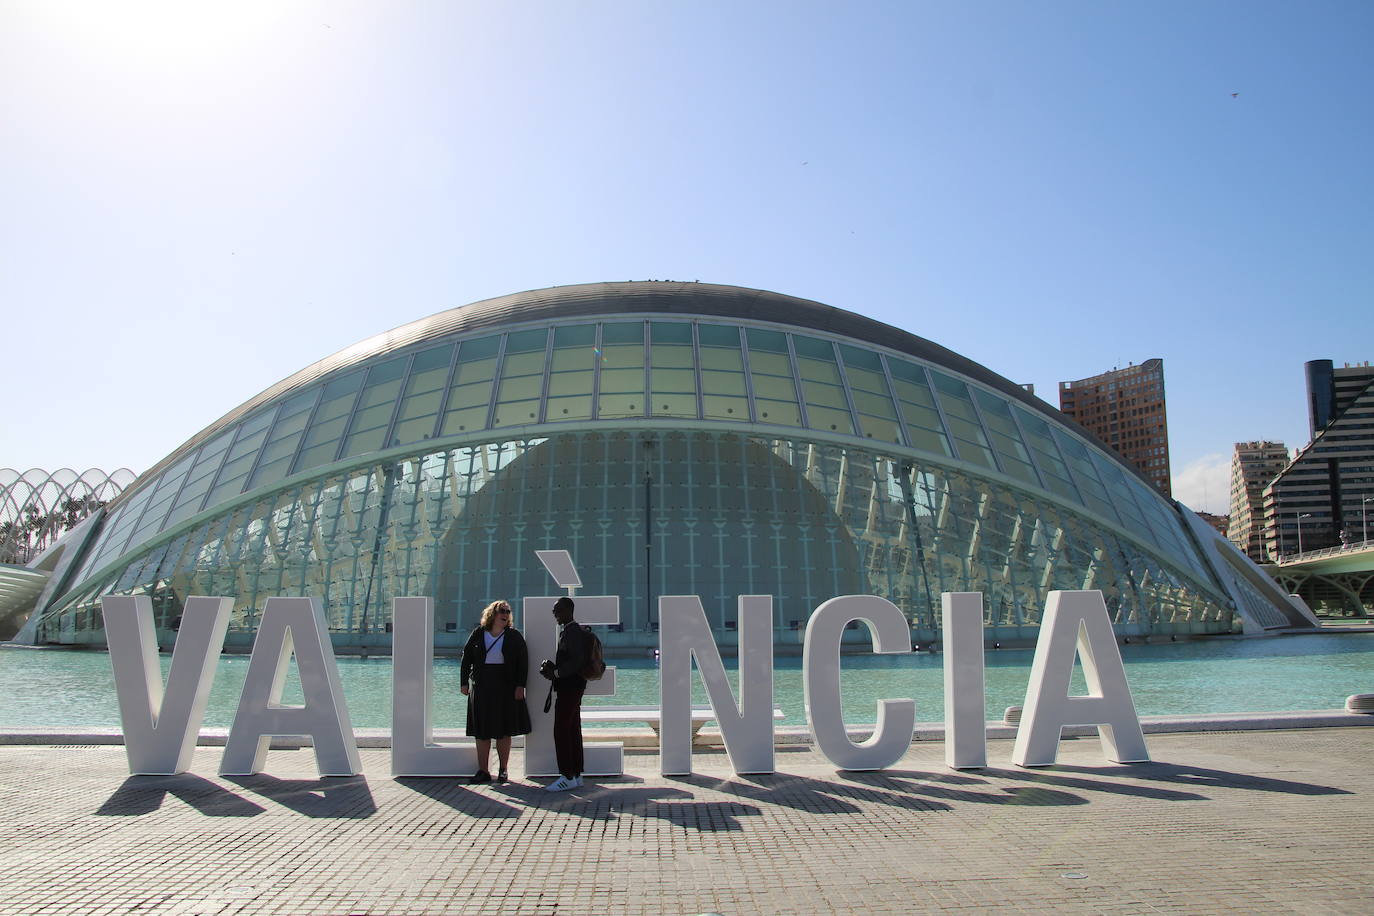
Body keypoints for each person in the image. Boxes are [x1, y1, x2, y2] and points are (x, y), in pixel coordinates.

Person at [460, 600, 531, 784]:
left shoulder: (514, 636)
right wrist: (464, 683)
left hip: (505, 685)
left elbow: (523, 662)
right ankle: (483, 770)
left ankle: (503, 770)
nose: (506, 614)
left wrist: (520, 685)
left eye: (508, 611)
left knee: (503, 730)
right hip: (482, 684)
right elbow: (466, 657)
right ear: (493, 613)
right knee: (481, 730)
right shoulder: (478, 633)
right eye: (502, 611)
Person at [538, 596, 590, 792]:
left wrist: (556, 673)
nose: (555, 615)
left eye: (557, 611)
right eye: (554, 611)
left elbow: (577, 661)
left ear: (569, 610)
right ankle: (576, 775)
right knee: (572, 729)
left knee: (561, 730)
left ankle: (567, 775)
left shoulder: (572, 632)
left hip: (570, 687)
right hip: (573, 687)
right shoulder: (571, 631)